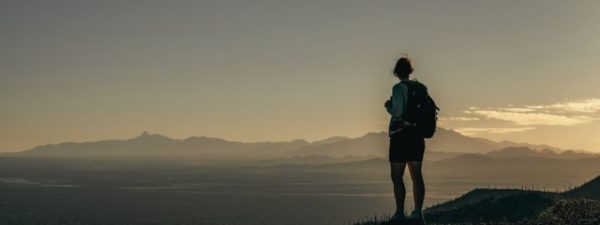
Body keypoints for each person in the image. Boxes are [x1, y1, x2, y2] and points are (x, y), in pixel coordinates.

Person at [384, 56, 427, 225]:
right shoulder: (421, 87)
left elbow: (398, 112)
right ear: (411, 71)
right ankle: (418, 213)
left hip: (400, 136)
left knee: (397, 175)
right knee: (416, 175)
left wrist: (389, 107)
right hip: (417, 136)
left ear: (396, 72)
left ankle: (400, 213)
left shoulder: (397, 88)